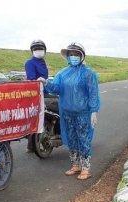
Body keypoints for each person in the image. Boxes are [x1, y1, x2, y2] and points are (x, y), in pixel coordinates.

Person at [37, 42, 100, 180]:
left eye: (76, 54)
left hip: (83, 113)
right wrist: (47, 83)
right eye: (71, 54)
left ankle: (86, 168)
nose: (73, 56)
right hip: (67, 112)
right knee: (71, 139)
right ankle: (76, 165)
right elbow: (57, 89)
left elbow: (93, 93)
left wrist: (94, 111)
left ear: (82, 56)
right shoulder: (63, 73)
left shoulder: (88, 74)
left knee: (83, 139)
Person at [24, 39, 49, 153]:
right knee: (37, 117)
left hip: (45, 91)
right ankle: (31, 145)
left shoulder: (43, 62)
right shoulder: (30, 63)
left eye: (40, 49)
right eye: (35, 49)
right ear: (32, 51)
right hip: (36, 93)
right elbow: (32, 80)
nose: (38, 51)